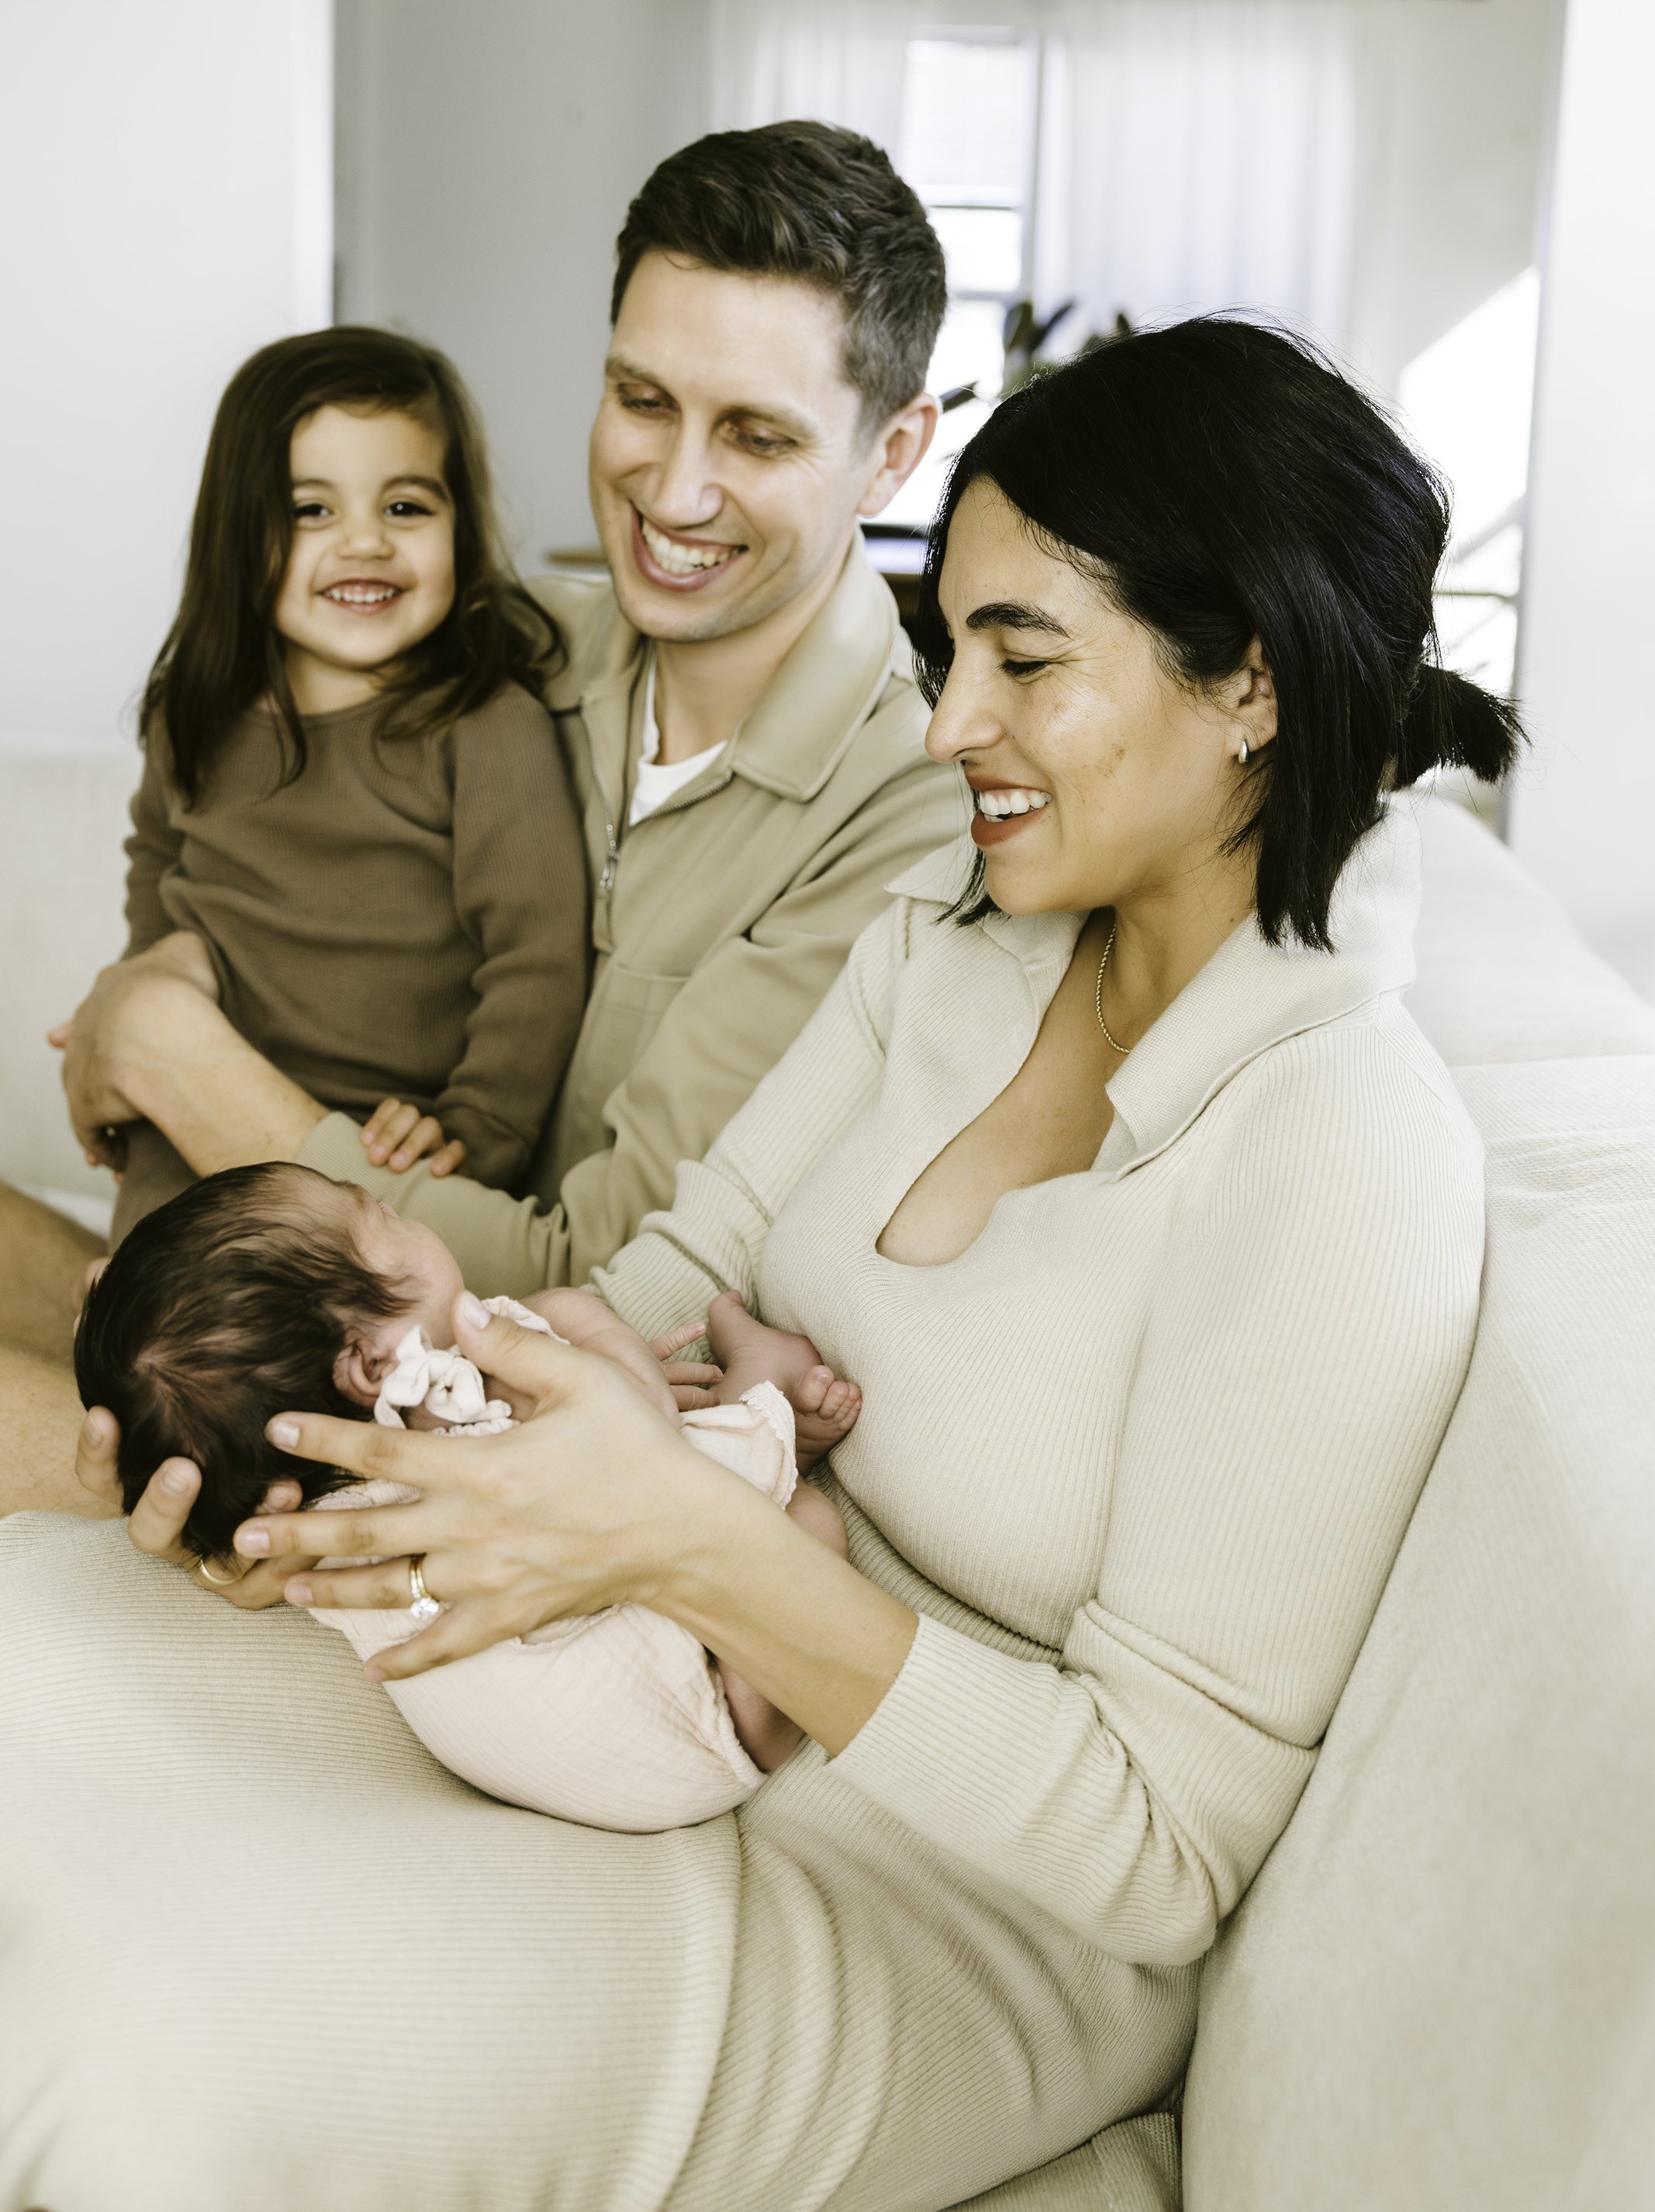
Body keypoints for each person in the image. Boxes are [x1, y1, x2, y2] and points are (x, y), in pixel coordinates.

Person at [2, 318, 1519, 2205]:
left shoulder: (1334, 1141)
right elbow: (668, 1279)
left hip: (934, 1883)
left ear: (1252, 688)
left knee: (114, 2062)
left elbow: (1158, 1855)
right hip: (617, 1627)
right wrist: (356, 1486)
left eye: (1021, 661)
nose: (951, 719)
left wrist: (676, 1534)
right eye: (947, 644)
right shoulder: (941, 947)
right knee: (29, 1657)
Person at [0, 119, 962, 1508]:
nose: (673, 490)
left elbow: (611, 1274)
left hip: (476, 1396)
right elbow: (226, 823)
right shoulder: (487, 652)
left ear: (891, 455)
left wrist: (173, 1058)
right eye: (641, 399)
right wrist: (159, 973)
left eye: (754, 434)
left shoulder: (903, 816)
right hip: (246, 1279)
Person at [74, 1160, 859, 1828]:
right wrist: (616, 1360)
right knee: (801, 1521)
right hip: (693, 1709)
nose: (399, 1206)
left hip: (594, 1770)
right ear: (373, 1366)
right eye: (377, 1213)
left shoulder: (312, 1519)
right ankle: (768, 1388)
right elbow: (640, 1426)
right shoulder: (478, 1397)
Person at [104, 325, 587, 1241]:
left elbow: (537, 956)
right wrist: (140, 1012)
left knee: (276, 1336)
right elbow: (156, 870)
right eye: (310, 510)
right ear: (238, 536)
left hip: (376, 1143)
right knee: (142, 1324)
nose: (364, 542)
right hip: (190, 1120)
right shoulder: (194, 714)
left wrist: (478, 1128)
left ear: (462, 526)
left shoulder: (483, 726)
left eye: (406, 508)